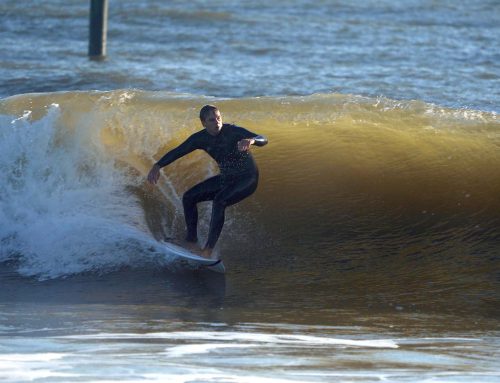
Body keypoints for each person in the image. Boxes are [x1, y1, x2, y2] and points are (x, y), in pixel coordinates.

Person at [147, 105, 268, 258]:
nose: (217, 122)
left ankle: (207, 250)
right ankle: (191, 241)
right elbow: (179, 151)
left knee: (219, 201)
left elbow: (263, 138)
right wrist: (157, 166)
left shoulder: (233, 131)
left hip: (247, 177)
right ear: (204, 123)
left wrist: (251, 140)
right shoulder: (200, 138)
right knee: (189, 197)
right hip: (227, 178)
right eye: (212, 120)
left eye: (219, 118)